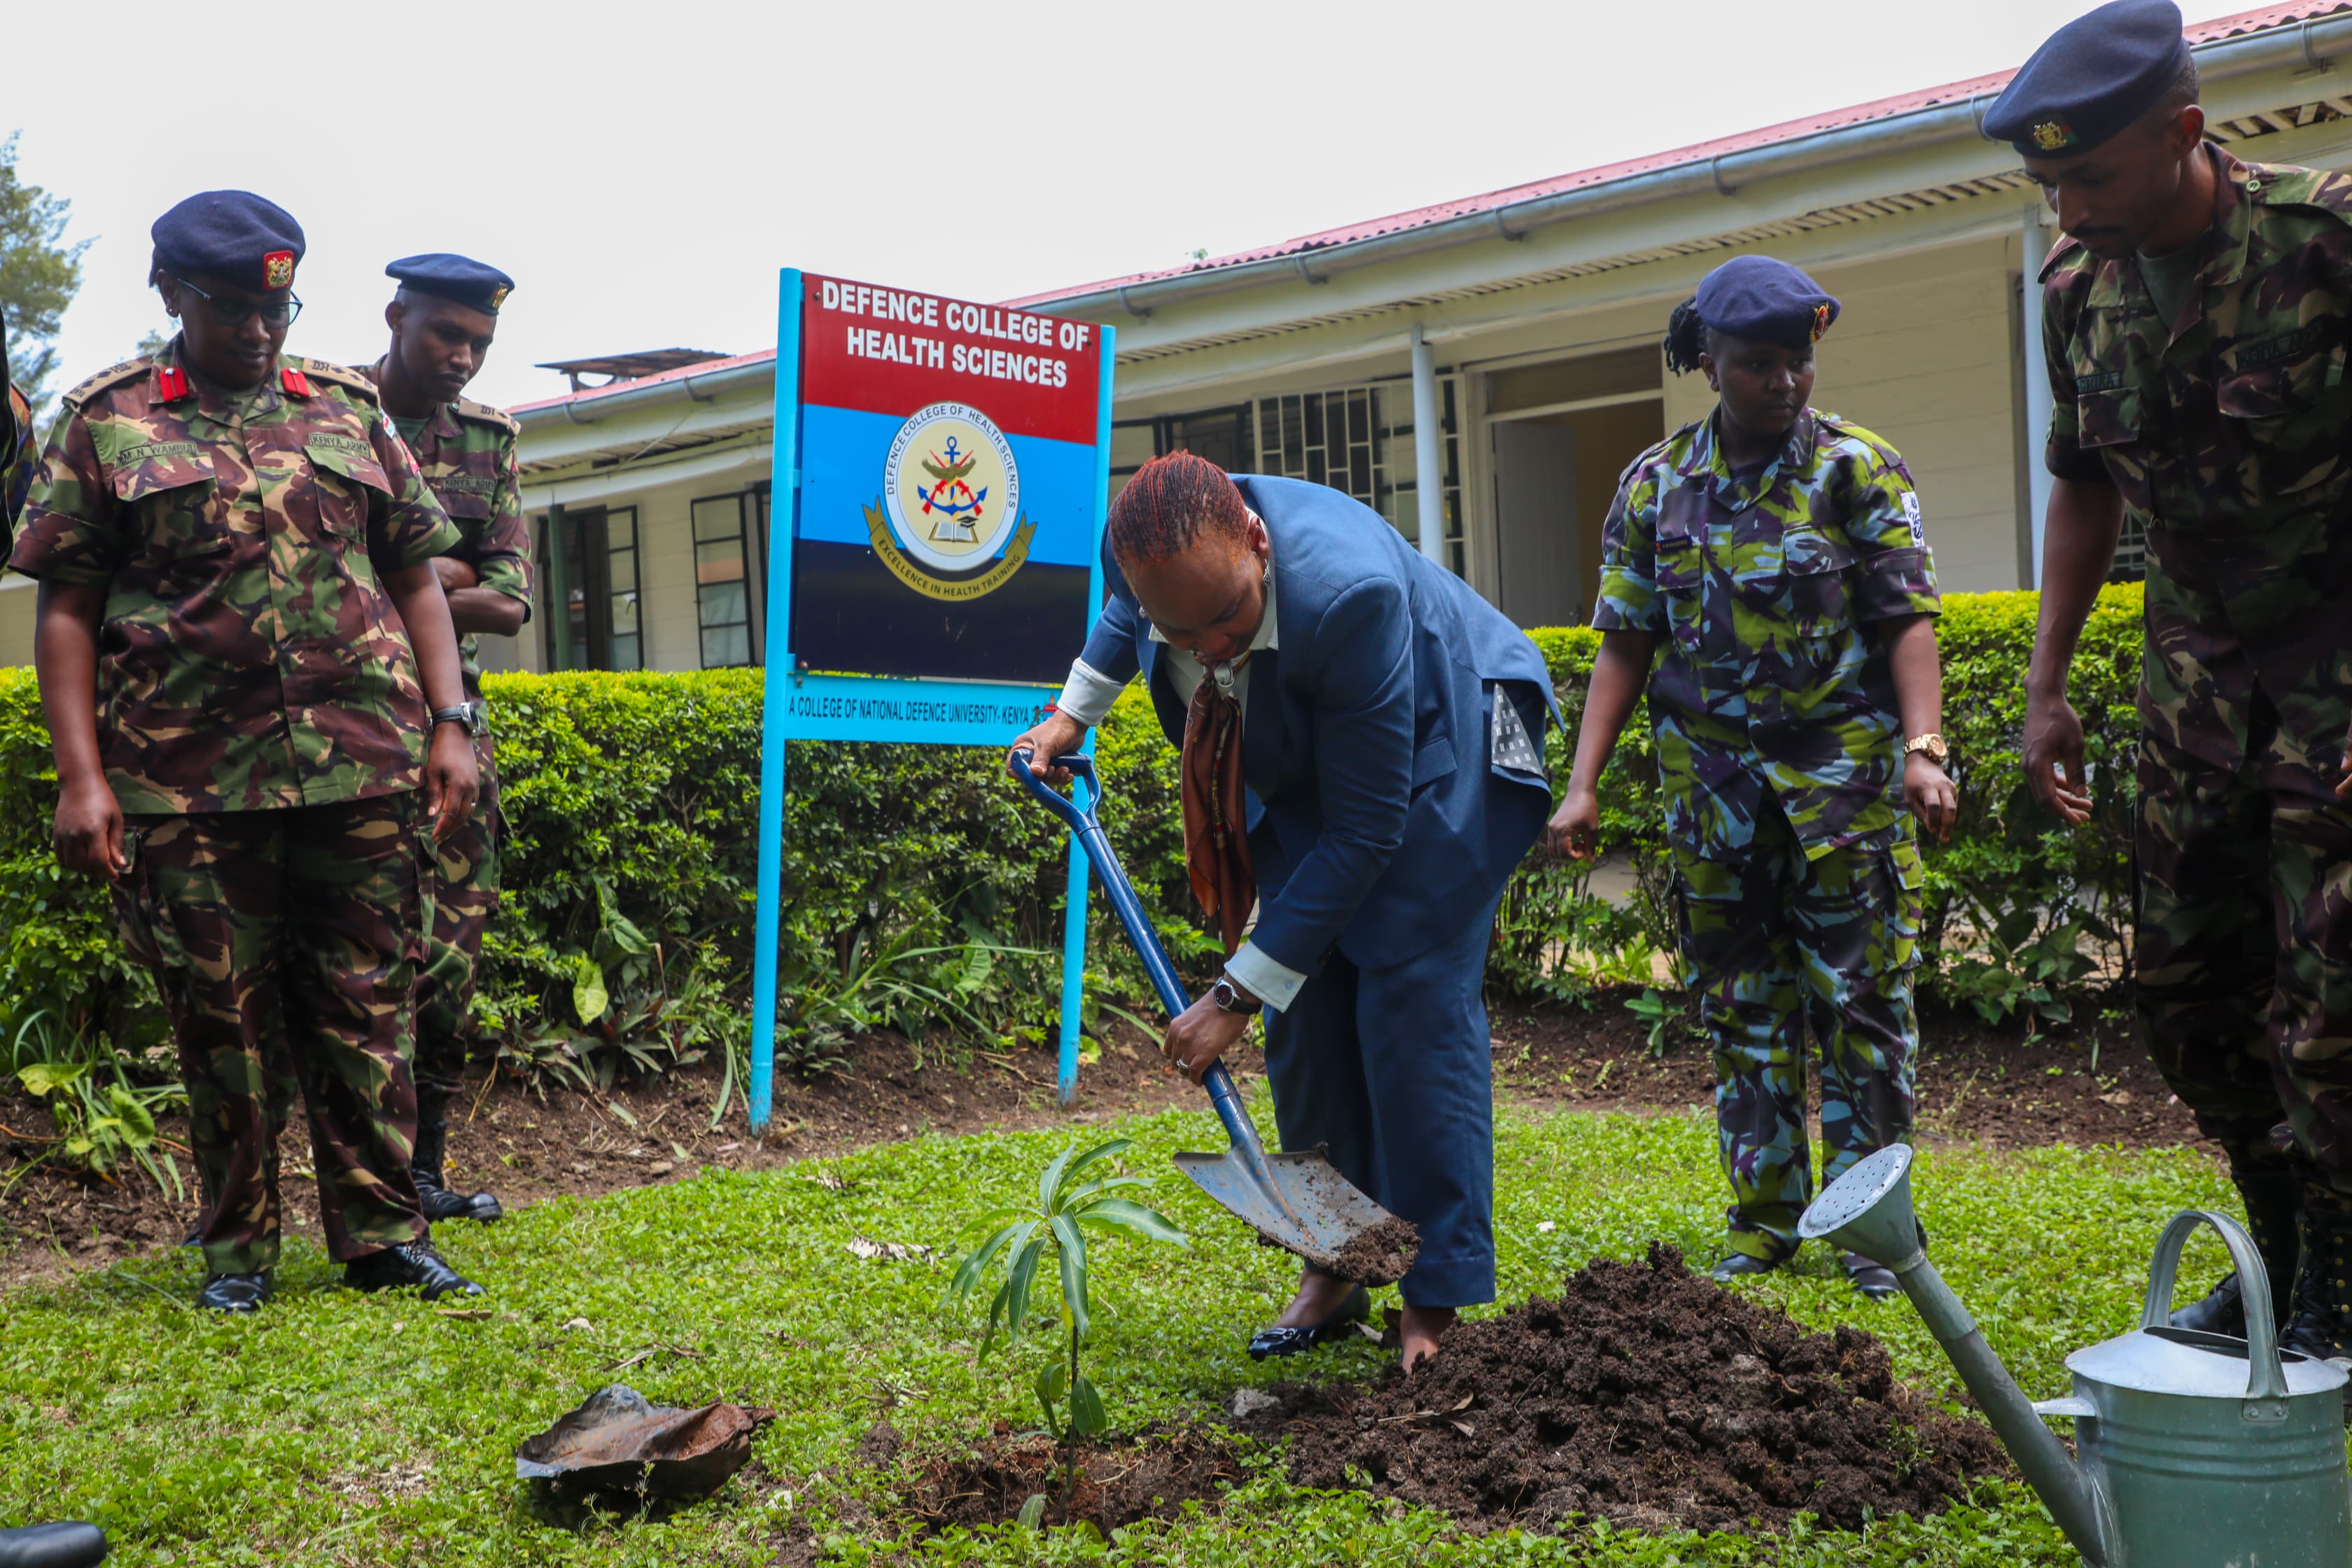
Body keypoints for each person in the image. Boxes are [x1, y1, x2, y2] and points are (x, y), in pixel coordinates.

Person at [7, 191, 486, 1312]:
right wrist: (84, 778)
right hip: (186, 781)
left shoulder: (346, 407)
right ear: (171, 294)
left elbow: (416, 575)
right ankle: (239, 1254)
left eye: (276, 308)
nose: (258, 332)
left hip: (361, 764)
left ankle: (381, 1236)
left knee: (371, 1002)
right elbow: (67, 610)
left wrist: (450, 723)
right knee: (223, 1021)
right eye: (229, 308)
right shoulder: (107, 420)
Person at [1009, 452, 1555, 1372]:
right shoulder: (1140, 548)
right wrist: (1073, 717)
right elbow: (1122, 617)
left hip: (1463, 731)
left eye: (1226, 618)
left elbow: (1368, 829)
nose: (1210, 649)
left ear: (1257, 543)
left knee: (1407, 998)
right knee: (1306, 1006)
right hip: (1314, 754)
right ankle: (1330, 1260)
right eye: (1185, 636)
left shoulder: (1353, 598)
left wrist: (1230, 997)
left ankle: (1434, 1295)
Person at [1994, 0, 2352, 1359]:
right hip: (2194, 691)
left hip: (2336, 674)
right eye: (2047, 183)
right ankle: (2278, 1247)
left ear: (2186, 133)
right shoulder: (2076, 296)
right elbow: (2081, 492)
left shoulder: (2324, 242)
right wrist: (2047, 686)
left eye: (2088, 175)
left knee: (2331, 1010)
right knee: (2188, 995)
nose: (2066, 208)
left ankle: (2337, 1289)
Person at [1550, 255, 1955, 1298]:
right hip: (1713, 795)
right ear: (1711, 365)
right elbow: (1626, 641)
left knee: (1862, 1007)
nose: (1785, 382)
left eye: (1799, 362)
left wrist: (1923, 749)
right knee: (1744, 1009)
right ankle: (1765, 1219)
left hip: (1844, 789)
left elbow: (1905, 620)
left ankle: (1873, 1232)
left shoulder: (1859, 471)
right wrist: (1583, 783)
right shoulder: (1656, 484)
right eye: (1760, 365)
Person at [362, 253, 531, 1225]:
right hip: (339, 721)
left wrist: (409, 583)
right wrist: (444, 573)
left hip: (451, 725)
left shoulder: (487, 438)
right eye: (445, 335)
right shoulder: (332, 417)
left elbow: (510, 602)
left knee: (451, 959)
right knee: (348, 961)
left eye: (478, 343)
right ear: (396, 315)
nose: (462, 358)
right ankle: (354, 1180)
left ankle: (423, 1176)